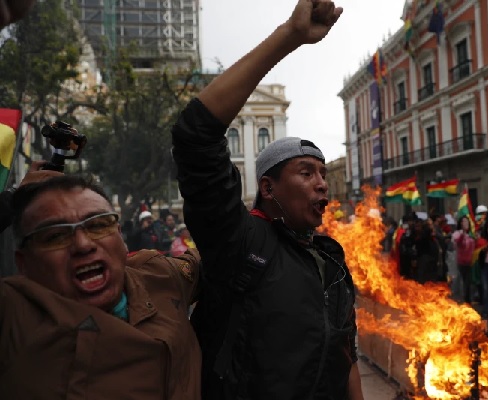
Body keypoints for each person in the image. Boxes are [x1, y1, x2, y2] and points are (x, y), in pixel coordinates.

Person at [171, 1, 363, 399]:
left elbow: (346, 354)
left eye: (323, 174)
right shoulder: (241, 244)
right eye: (306, 173)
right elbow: (195, 137)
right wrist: (289, 37)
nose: (322, 185)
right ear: (269, 187)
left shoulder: (333, 259)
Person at [1, 174, 202, 398]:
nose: (83, 244)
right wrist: (11, 199)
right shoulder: (13, 316)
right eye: (55, 236)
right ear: (24, 263)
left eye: (98, 225)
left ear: (121, 238)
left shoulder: (159, 275)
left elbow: (223, 250)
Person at [452, 216, 476, 304]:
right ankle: (461, 300)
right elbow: (458, 243)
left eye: (467, 221)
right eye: (463, 221)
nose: (465, 223)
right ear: (460, 223)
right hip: (460, 262)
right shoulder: (457, 233)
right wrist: (463, 234)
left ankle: (468, 301)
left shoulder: (471, 235)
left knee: (469, 283)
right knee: (461, 283)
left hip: (470, 262)